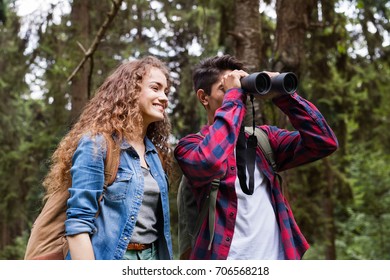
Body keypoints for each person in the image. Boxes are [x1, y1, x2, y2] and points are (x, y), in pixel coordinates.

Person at [174, 54, 338, 260]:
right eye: (224, 89)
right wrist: (234, 96)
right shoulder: (190, 147)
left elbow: (324, 141)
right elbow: (210, 161)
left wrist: (283, 95)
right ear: (203, 97)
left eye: (240, 90)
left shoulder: (263, 140)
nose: (237, 95)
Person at [42, 56, 173, 260]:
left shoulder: (154, 154)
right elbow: (78, 225)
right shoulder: (97, 145)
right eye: (155, 88)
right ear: (131, 91)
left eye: (166, 91)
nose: (164, 97)